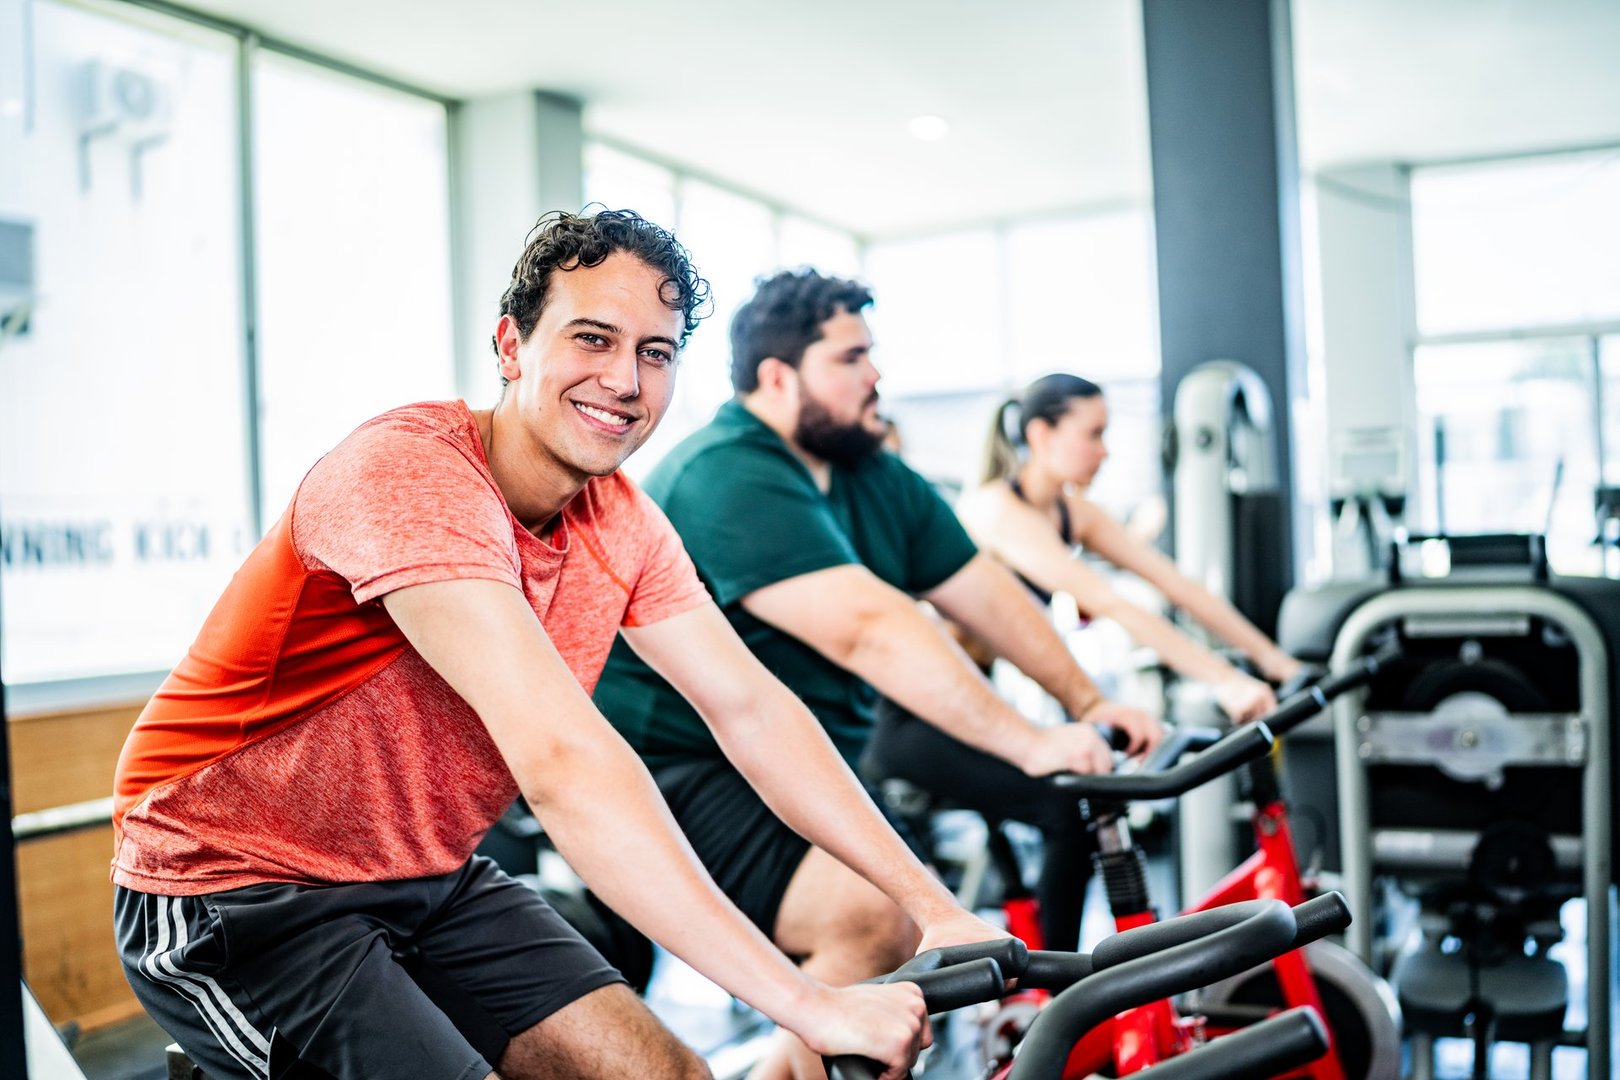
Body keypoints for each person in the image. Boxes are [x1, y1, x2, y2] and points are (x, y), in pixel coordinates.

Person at [110, 211, 998, 1080]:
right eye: (592, 339)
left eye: (656, 353)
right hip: (234, 888)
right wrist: (808, 1004)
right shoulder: (410, 473)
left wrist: (934, 910)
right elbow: (564, 761)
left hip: (428, 875)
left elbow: (753, 710)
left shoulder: (624, 525)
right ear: (511, 347)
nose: (624, 379)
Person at [593, 268, 1163, 1080]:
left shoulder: (866, 471)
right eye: (852, 357)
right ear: (779, 377)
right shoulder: (728, 473)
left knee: (883, 940)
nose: (877, 375)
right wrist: (1030, 742)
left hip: (789, 757)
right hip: (677, 765)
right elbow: (872, 631)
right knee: (876, 918)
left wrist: (1087, 699)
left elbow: (982, 594)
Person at [954, 372, 1304, 722]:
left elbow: (1176, 583)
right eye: (1093, 435)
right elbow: (1107, 601)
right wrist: (1224, 680)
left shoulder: (1073, 513)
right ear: (1042, 436)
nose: (1104, 452)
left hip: (981, 676)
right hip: (944, 675)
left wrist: (1275, 660)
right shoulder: (995, 508)